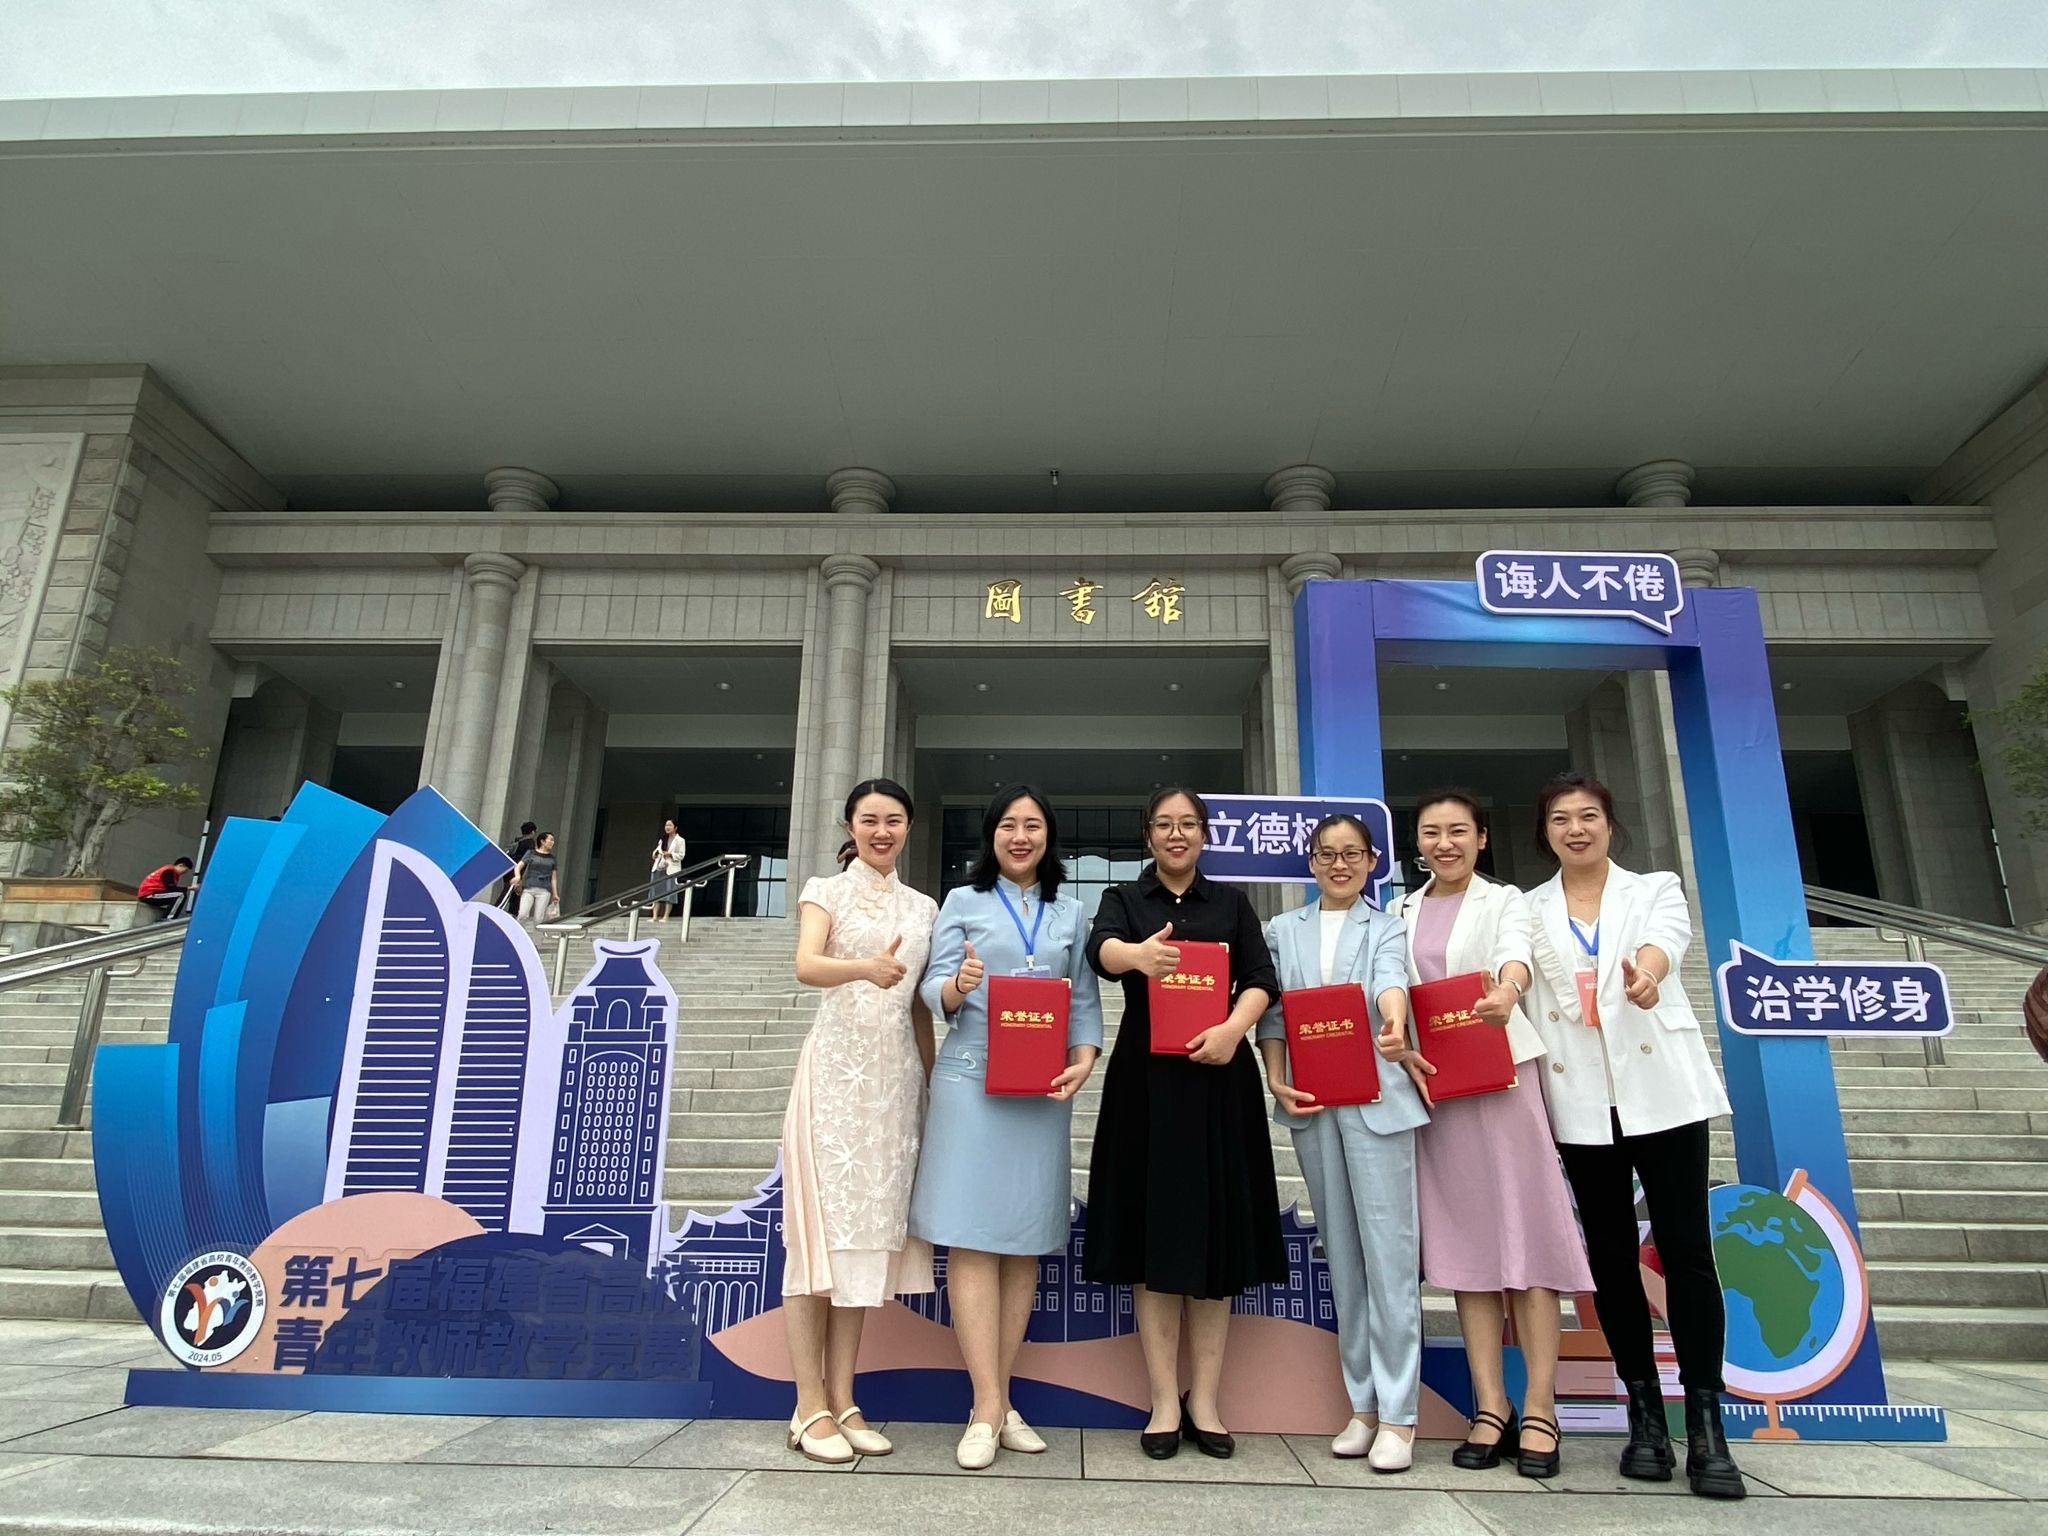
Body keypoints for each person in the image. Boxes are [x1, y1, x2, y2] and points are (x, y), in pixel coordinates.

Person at [1523, 772, 1746, 1500]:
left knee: (1686, 1252)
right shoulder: (1529, 909)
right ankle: (1644, 1417)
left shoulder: (1655, 889)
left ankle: (1706, 1424)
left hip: (1663, 1095)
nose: (1576, 829)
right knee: (1612, 1259)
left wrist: (1646, 977)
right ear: (1546, 832)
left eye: (1588, 815)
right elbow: (1515, 972)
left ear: (1610, 824)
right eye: (1561, 819)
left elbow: (1664, 944)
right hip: (1581, 1102)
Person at [1394, 790, 1593, 1478]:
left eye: (1458, 831)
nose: (1444, 843)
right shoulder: (1401, 909)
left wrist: (1507, 990)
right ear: (1417, 843)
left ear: (1482, 838)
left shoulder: (1506, 900)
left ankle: (1540, 1405)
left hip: (1504, 1082)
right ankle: (1490, 1405)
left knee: (1525, 1239)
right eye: (1431, 832)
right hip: (1440, 1093)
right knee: (1469, 1248)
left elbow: (1516, 957)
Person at [1084, 787, 1282, 1462]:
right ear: (1148, 835)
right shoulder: (1124, 898)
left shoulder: (1230, 903)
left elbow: (1261, 978)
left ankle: (1207, 1401)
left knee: (1215, 1242)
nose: (1177, 834)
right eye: (1164, 824)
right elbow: (1101, 951)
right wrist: (1137, 956)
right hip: (1146, 1086)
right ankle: (1165, 1399)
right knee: (1153, 1240)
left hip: (1219, 1082)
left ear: (1204, 835)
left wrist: (1232, 1028)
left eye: (1188, 824)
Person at [910, 785, 1103, 1469]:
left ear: (1049, 836)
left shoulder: (1071, 912)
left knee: (1023, 1243)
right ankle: (989, 1406)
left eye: (1033, 825)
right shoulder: (961, 903)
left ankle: (997, 1403)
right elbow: (931, 990)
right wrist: (958, 984)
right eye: (1008, 825)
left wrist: (1085, 1059)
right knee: (972, 1238)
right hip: (971, 1082)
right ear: (991, 835)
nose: (1020, 837)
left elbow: (1082, 997)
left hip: (1041, 1086)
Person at [1256, 813, 1431, 1472]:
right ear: (1310, 862)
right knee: (1345, 1259)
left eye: (1352, 854)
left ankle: (1400, 1415)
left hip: (1377, 1098)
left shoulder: (1387, 925)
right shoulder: (1283, 930)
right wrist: (1276, 1077)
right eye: (1327, 854)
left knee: (1390, 1259)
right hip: (1314, 1102)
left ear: (1371, 862)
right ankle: (1363, 1407)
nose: (1339, 864)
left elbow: (1391, 980)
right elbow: (1274, 1011)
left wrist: (1393, 1022)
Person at [779, 777, 938, 1465]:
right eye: (869, 819)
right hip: (835, 1079)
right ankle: (806, 1403)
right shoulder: (825, 890)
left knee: (864, 1245)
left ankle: (844, 1399)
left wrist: (932, 1083)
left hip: (893, 1086)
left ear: (908, 827)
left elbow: (921, 1007)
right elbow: (805, 965)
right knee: (817, 1240)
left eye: (894, 820)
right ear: (850, 825)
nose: (882, 831)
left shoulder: (924, 907)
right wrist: (862, 968)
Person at [509, 832, 559, 927]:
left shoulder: (552, 859)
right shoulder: (531, 853)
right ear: (542, 841)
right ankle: (517, 933)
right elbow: (518, 866)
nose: (553, 842)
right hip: (528, 888)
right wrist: (517, 876)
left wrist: (555, 893)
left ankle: (536, 936)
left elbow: (553, 878)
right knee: (522, 914)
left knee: (539, 919)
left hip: (544, 890)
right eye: (550, 840)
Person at [650, 818, 687, 922]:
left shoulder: (680, 840)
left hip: (671, 868)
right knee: (655, 892)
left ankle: (666, 916)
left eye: (670, 825)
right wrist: (656, 854)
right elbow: (655, 853)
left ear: (675, 827)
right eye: (666, 825)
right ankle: (654, 916)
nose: (667, 827)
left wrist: (670, 854)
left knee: (670, 892)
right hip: (659, 867)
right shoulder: (662, 839)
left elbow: (681, 855)